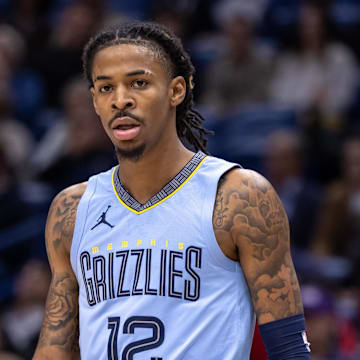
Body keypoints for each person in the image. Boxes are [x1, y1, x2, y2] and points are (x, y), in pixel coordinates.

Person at [33, 21, 310, 359]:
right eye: (106, 88)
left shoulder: (238, 196)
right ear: (94, 100)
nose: (120, 100)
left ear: (176, 91)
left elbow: (289, 348)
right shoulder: (72, 209)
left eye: (139, 83)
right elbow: (54, 351)